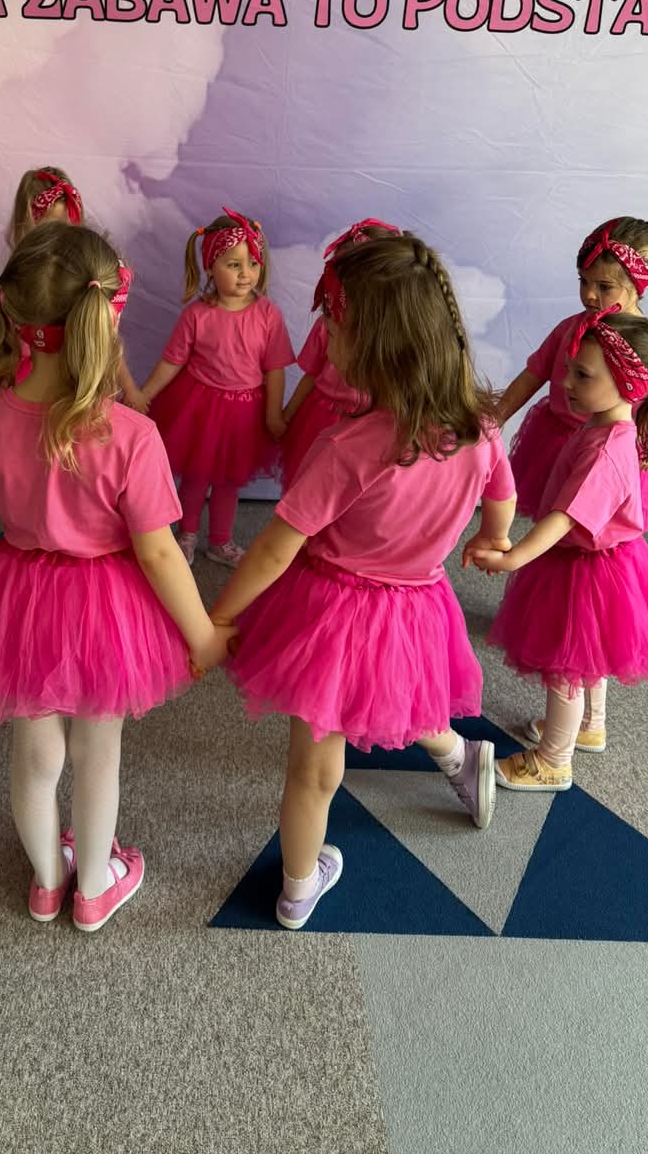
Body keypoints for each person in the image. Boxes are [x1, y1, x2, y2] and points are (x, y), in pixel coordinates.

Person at [0, 223, 228, 931]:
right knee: (98, 752)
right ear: (108, 316)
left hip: (18, 598)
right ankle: (93, 888)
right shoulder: (132, 435)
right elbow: (159, 554)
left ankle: (45, 880)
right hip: (106, 606)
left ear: (12, 314)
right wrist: (202, 635)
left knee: (34, 754)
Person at [210, 234, 516, 930]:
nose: (324, 333)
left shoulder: (351, 445)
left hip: (331, 610)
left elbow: (273, 550)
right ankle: (461, 759)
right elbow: (502, 499)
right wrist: (492, 538)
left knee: (315, 767)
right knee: (400, 695)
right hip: (416, 605)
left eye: (333, 321)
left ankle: (297, 888)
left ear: (374, 343)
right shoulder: (481, 428)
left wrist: (221, 617)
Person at [472, 309, 648, 784]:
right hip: (606, 564)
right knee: (589, 655)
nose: (565, 382)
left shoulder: (608, 449)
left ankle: (553, 760)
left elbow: (566, 517)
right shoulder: (607, 427)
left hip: (584, 567)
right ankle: (590, 725)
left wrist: (513, 556)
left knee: (565, 669)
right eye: (569, 370)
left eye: (582, 375)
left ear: (629, 385)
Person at [497, 217, 648, 530]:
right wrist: (496, 416)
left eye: (604, 287)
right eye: (583, 281)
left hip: (607, 448)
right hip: (557, 440)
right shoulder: (571, 327)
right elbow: (533, 374)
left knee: (594, 525)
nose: (589, 295)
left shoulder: (641, 343)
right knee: (552, 520)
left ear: (637, 285)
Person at [141, 209, 295, 567]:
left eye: (252, 264)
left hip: (244, 413)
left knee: (229, 482)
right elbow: (172, 362)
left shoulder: (268, 314)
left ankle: (220, 541)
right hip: (200, 409)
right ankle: (186, 534)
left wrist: (273, 415)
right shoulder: (197, 315)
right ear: (210, 266)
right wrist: (144, 394)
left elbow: (275, 369)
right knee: (196, 478)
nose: (246, 274)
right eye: (234, 265)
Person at [0, 166, 147, 425]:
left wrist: (130, 388)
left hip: (70, 385)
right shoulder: (17, 284)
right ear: (27, 225)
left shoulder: (84, 287)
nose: (58, 236)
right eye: (49, 227)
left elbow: (104, 337)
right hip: (21, 383)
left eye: (66, 225)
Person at [280, 218, 401, 489]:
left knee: (357, 486)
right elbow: (311, 374)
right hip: (320, 416)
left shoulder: (393, 336)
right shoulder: (327, 326)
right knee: (309, 483)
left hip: (371, 422)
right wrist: (287, 415)